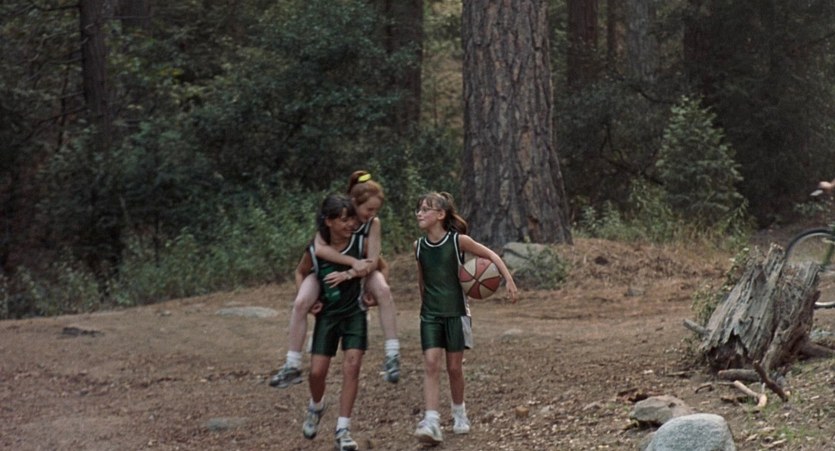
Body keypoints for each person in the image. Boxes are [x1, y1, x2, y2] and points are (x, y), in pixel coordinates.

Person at [269, 171, 401, 388]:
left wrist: (353, 276)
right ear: (354, 204)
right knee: (301, 302)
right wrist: (352, 263)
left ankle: (392, 354)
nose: (372, 214)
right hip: (327, 272)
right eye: (369, 209)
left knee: (383, 289)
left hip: (357, 275)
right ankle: (292, 364)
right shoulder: (334, 220)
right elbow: (319, 251)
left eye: (376, 210)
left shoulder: (372, 224)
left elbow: (373, 261)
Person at [411, 191, 518, 445]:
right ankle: (431, 420)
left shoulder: (459, 241)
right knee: (431, 364)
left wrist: (508, 279)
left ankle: (459, 412)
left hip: (456, 312)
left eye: (425, 209)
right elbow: (422, 280)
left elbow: (491, 256)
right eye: (418, 209)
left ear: (441, 214)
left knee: (454, 368)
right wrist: (424, 307)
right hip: (430, 314)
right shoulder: (419, 247)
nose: (419, 213)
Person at [298, 193, 367, 451]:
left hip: (355, 313)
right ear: (328, 221)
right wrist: (307, 300)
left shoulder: (360, 244)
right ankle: (316, 406)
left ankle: (343, 429)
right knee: (317, 373)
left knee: (352, 367)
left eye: (351, 219)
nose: (350, 224)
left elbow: (380, 266)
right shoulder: (315, 250)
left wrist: (372, 289)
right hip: (327, 316)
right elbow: (300, 272)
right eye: (343, 220)